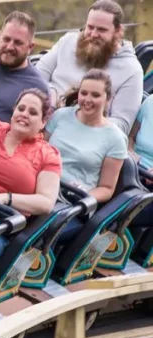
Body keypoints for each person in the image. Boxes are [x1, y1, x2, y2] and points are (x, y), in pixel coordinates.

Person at [0, 88, 62, 266]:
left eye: (32, 113)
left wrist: (5, 198)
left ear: (43, 121)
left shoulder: (47, 154)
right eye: (21, 109)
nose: (24, 115)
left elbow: (46, 203)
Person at [37, 0, 142, 135]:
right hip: (43, 120)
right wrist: (51, 95)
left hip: (87, 136)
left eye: (102, 30)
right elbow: (36, 77)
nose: (93, 34)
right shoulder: (68, 41)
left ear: (118, 31)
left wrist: (82, 119)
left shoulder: (131, 70)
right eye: (90, 27)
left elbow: (122, 125)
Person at [45, 70, 127, 244]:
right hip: (43, 188)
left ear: (107, 99)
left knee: (43, 231)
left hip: (72, 204)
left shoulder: (115, 138)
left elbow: (106, 187)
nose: (87, 99)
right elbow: (39, 150)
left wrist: (83, 197)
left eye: (96, 95)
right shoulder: (61, 116)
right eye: (84, 93)